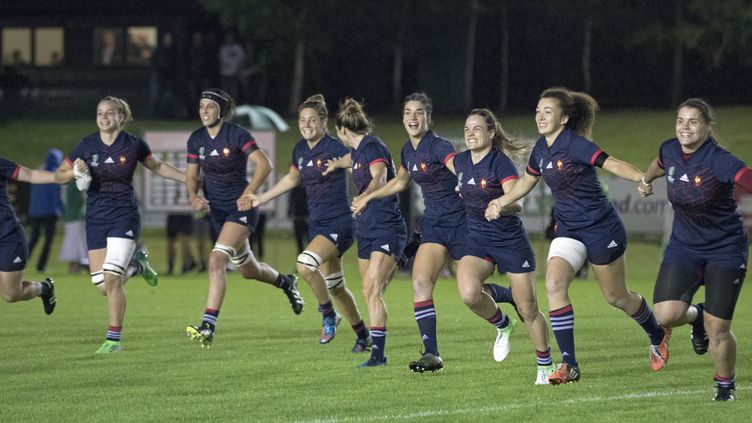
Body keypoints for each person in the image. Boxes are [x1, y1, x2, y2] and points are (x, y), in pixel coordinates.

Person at [485, 87, 670, 384]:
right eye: (537, 111)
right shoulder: (541, 150)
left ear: (564, 118)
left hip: (601, 226)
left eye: (547, 111)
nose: (540, 116)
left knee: (616, 296)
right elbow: (525, 184)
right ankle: (569, 364)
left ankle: (657, 333)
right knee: (555, 283)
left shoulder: (575, 144)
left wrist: (643, 178)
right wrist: (499, 202)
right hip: (569, 227)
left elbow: (611, 163)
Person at [351, 94, 527, 376]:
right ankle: (432, 353)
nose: (412, 117)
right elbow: (400, 182)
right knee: (420, 281)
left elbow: (461, 167)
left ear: (427, 117)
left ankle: (510, 301)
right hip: (434, 225)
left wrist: (467, 186)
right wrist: (368, 197)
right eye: (408, 112)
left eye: (418, 112)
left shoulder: (439, 146)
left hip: (463, 223)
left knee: (472, 292)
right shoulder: (408, 151)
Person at [54, 96, 185, 354]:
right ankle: (137, 265)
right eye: (99, 112)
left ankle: (113, 340)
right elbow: (59, 176)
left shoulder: (134, 145)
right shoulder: (86, 145)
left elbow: (158, 166)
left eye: (110, 113)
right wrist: (75, 172)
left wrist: (191, 180)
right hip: (95, 218)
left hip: (123, 215)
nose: (103, 117)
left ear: (121, 118)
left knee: (113, 278)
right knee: (102, 285)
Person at [639, 98, 750, 401]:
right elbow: (659, 164)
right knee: (665, 313)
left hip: (725, 249)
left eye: (692, 122)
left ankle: (725, 385)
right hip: (684, 247)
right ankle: (696, 317)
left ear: (706, 126)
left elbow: (747, 179)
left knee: (719, 329)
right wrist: (646, 180)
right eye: (680, 121)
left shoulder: (719, 160)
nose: (685, 127)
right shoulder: (669, 148)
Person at [251, 94, 372, 352]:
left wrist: (368, 194)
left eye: (312, 120)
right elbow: (292, 180)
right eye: (302, 120)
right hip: (318, 225)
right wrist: (261, 197)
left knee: (304, 265)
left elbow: (359, 163)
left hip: (339, 223)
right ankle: (363, 335)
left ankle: (328, 315)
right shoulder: (300, 149)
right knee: (336, 287)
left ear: (324, 122)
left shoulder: (335, 147)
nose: (306, 125)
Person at [184, 88, 304, 347]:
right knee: (249, 270)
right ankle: (286, 281)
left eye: (210, 106)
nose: (204, 110)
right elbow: (192, 175)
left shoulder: (236, 134)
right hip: (218, 214)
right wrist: (193, 195)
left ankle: (208, 325)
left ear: (222, 111)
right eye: (201, 105)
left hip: (242, 209)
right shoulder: (196, 139)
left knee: (216, 260)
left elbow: (265, 164)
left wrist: (249, 193)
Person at [454, 109, 553, 384]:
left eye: (476, 129)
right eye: (467, 129)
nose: (470, 133)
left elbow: (517, 201)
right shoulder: (460, 162)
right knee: (469, 294)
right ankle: (503, 324)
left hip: (510, 242)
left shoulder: (500, 164)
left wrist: (500, 205)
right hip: (477, 239)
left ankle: (545, 365)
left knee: (529, 309)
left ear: (491, 133)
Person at [326, 98, 407, 367]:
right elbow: (351, 160)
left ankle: (378, 355)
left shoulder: (372, 146)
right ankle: (403, 258)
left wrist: (364, 197)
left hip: (386, 227)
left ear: (342, 130)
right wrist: (336, 164)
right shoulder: (358, 150)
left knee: (372, 291)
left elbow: (379, 176)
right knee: (370, 290)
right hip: (367, 230)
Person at [0, 156, 60, 315]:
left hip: (7, 237)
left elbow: (30, 175)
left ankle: (45, 288)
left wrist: (56, 176)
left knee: (11, 294)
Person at [27, 148, 64, 273]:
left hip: (35, 212)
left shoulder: (38, 172)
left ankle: (20, 262)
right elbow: (55, 196)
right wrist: (61, 211)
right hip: (50, 213)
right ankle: (40, 267)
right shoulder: (54, 175)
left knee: (33, 238)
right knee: (48, 240)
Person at [59, 182, 88, 273]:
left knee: (75, 243)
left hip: (72, 216)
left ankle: (75, 268)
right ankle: (76, 267)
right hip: (76, 217)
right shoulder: (76, 183)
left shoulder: (67, 184)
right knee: (77, 244)